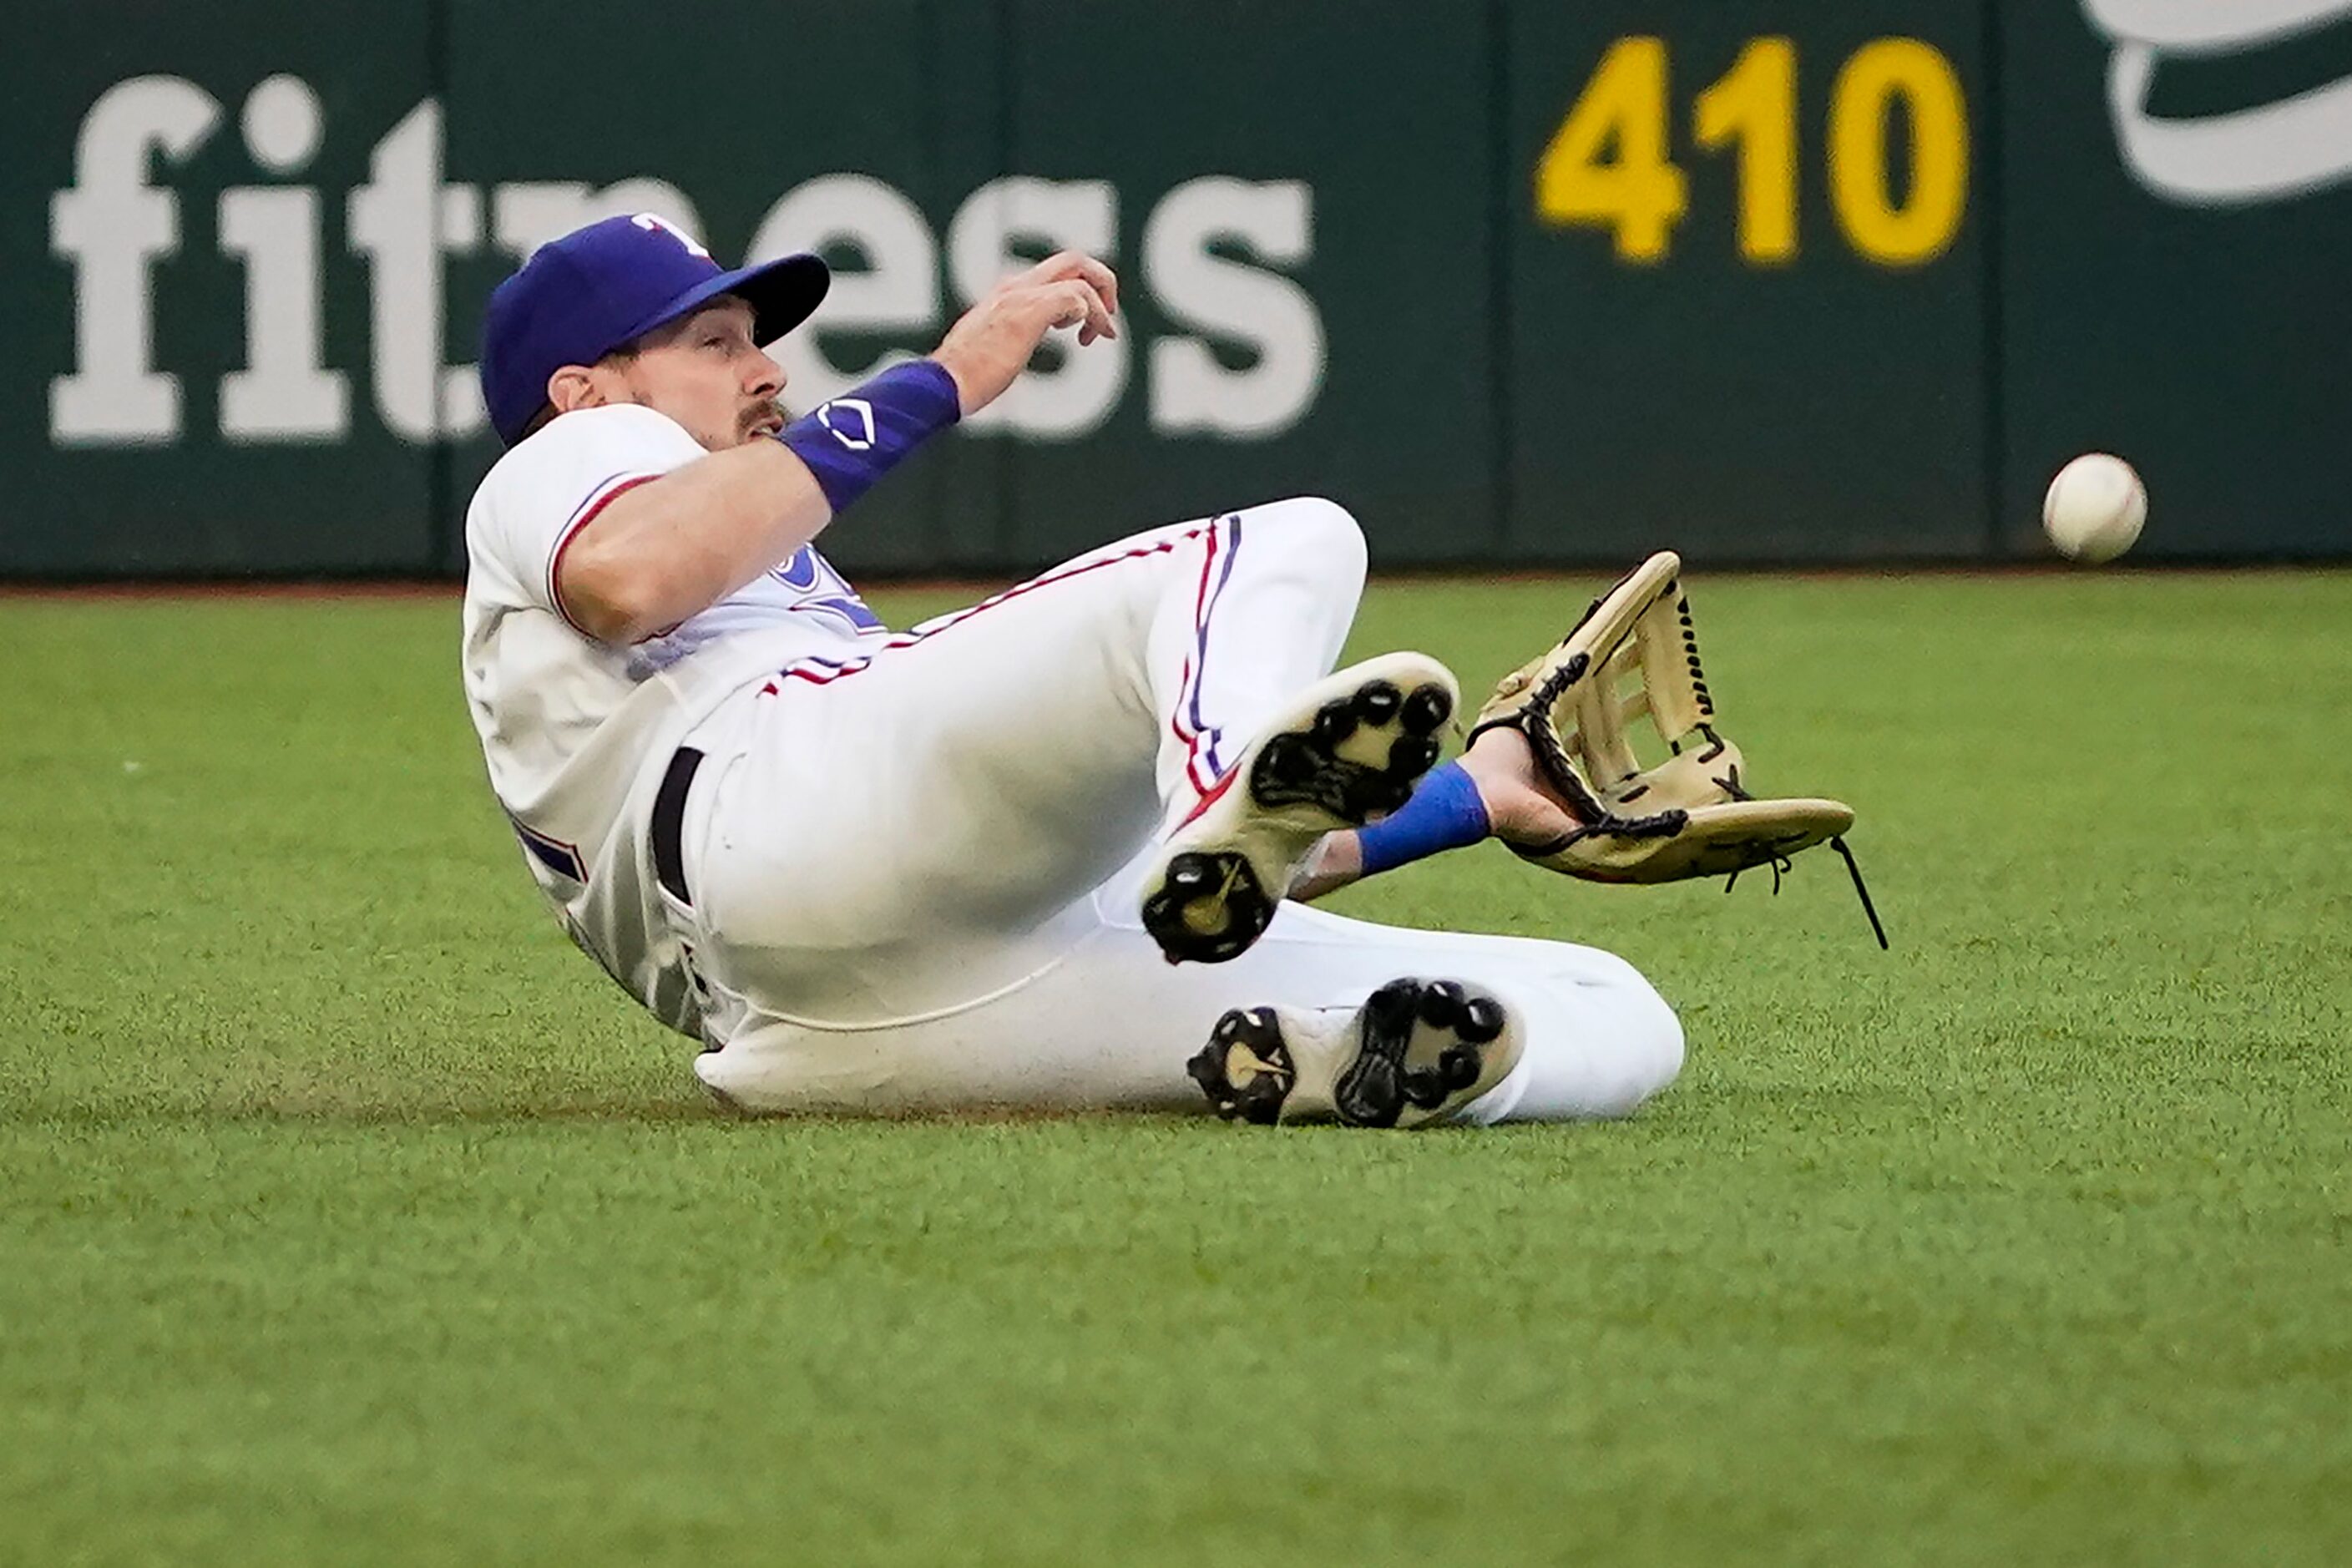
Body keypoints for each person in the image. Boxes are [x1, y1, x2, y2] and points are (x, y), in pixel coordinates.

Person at [460, 212, 1685, 1130]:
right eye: (715, 341)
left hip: (877, 1006)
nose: (767, 369)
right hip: (765, 826)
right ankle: (1226, 778)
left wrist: (1473, 794)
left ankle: (1339, 1057)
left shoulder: (776, 591)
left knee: (1616, 1005)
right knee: (1288, 541)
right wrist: (942, 378)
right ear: (585, 389)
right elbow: (626, 577)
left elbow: (1193, 877)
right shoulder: (569, 459)